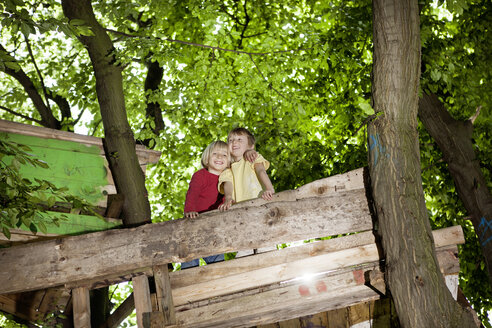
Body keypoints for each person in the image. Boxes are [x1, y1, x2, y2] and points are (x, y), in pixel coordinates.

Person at [181, 140, 232, 269]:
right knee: (190, 257)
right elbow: (192, 194)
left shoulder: (227, 180)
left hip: (214, 229)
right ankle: (188, 282)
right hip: (195, 224)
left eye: (224, 155)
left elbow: (228, 198)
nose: (219, 157)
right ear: (207, 158)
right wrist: (190, 210)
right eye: (215, 154)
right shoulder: (200, 176)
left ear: (229, 161)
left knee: (217, 262)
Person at [218, 127, 275, 210]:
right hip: (241, 209)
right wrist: (228, 198)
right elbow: (228, 185)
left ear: (251, 146)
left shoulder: (253, 158)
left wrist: (269, 189)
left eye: (239, 139)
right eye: (230, 140)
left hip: (261, 201)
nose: (234, 142)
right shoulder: (228, 169)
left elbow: (261, 171)